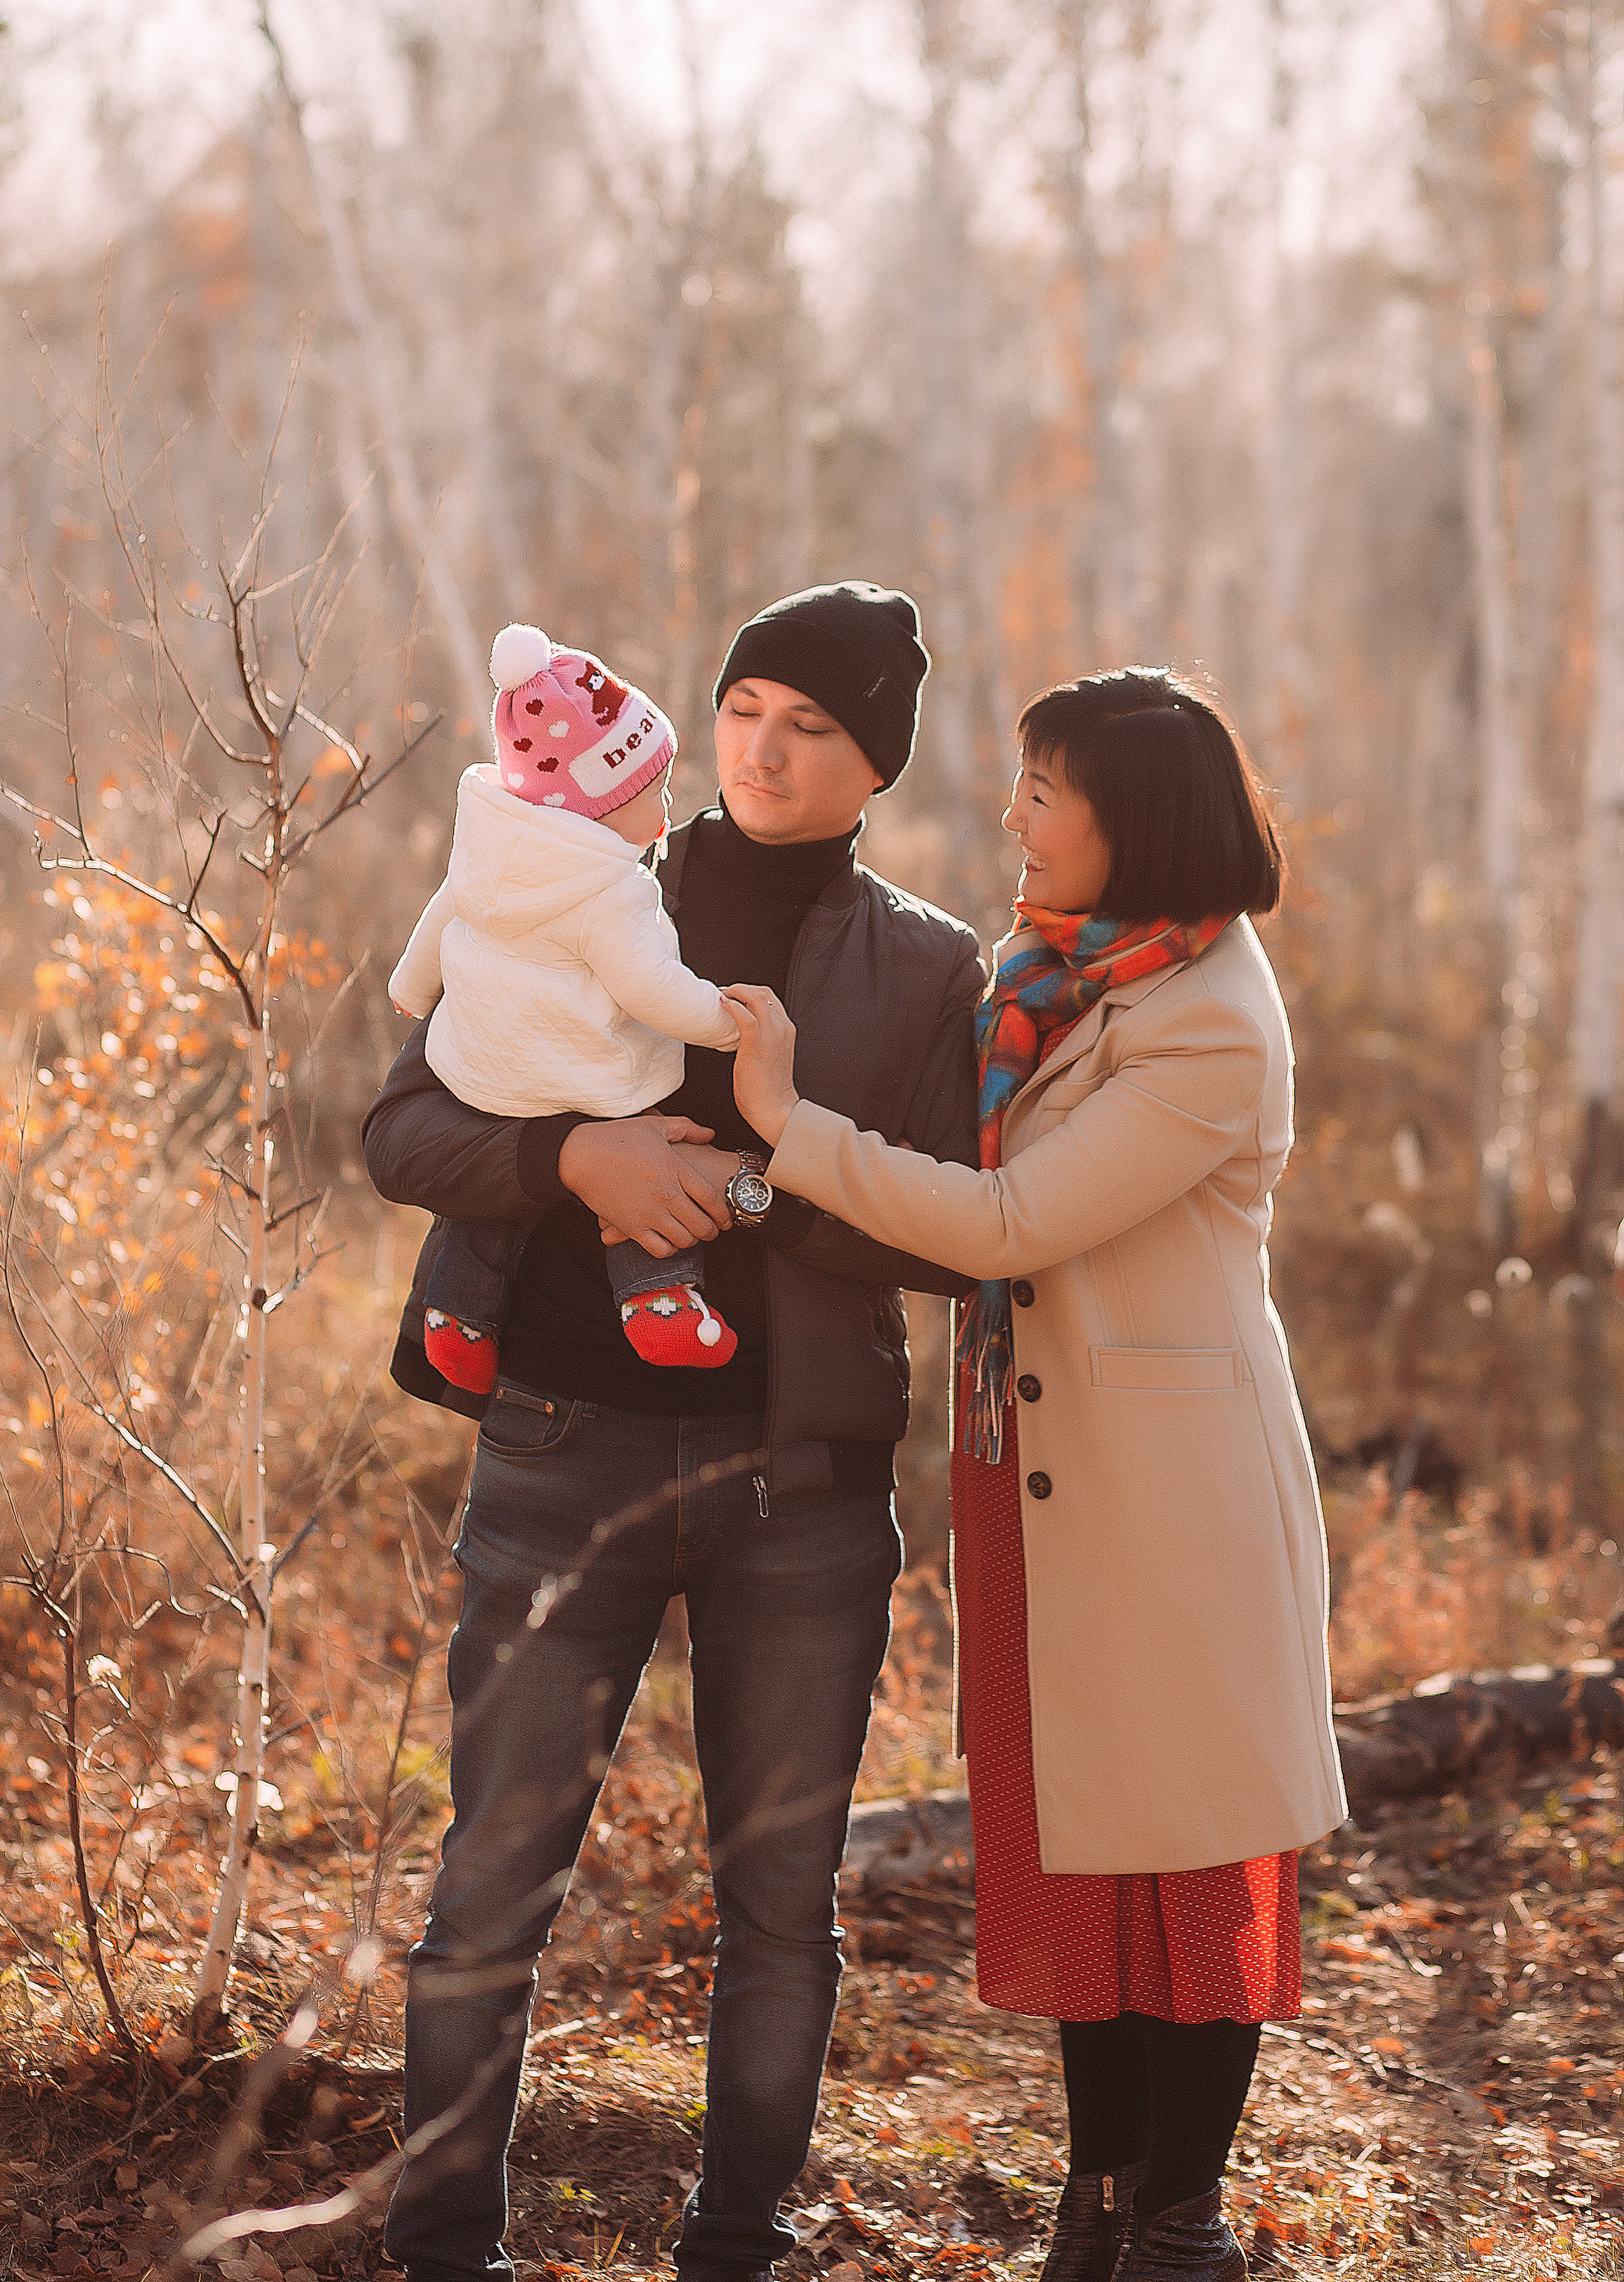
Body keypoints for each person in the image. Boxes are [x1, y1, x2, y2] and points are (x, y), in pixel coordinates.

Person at [363, 581, 986, 2282]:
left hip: (801, 1490)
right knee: (491, 1878)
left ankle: (735, 2243)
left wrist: (759, 1183)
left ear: (875, 768)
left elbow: (952, 1229)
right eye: (743, 709)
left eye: (813, 727)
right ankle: (441, 2248)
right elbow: (400, 1120)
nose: (764, 751)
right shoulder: (577, 864)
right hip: (563, 1446)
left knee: (780, 1903)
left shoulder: (927, 965)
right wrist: (573, 1158)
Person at [723, 668, 1347, 2282]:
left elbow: (1008, 1224)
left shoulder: (1205, 1016)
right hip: (1043, 1466)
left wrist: (784, 1125)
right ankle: (1099, 2198)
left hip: (1169, 1490)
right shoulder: (1060, 977)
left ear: (1125, 824)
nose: (1013, 817)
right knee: (1080, 1835)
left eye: (1040, 792)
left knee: (1187, 1845)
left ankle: (1176, 2221)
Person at [389, 622, 744, 1389]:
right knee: (638, 1151)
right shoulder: (611, 889)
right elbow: (650, 987)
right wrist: (723, 1023)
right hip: (580, 1073)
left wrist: (411, 993)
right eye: (652, 796)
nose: (663, 814)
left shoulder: (490, 848)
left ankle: (457, 1314)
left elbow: (439, 921)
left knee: (498, 1194)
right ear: (596, 803)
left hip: (482, 1071)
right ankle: (660, 1300)